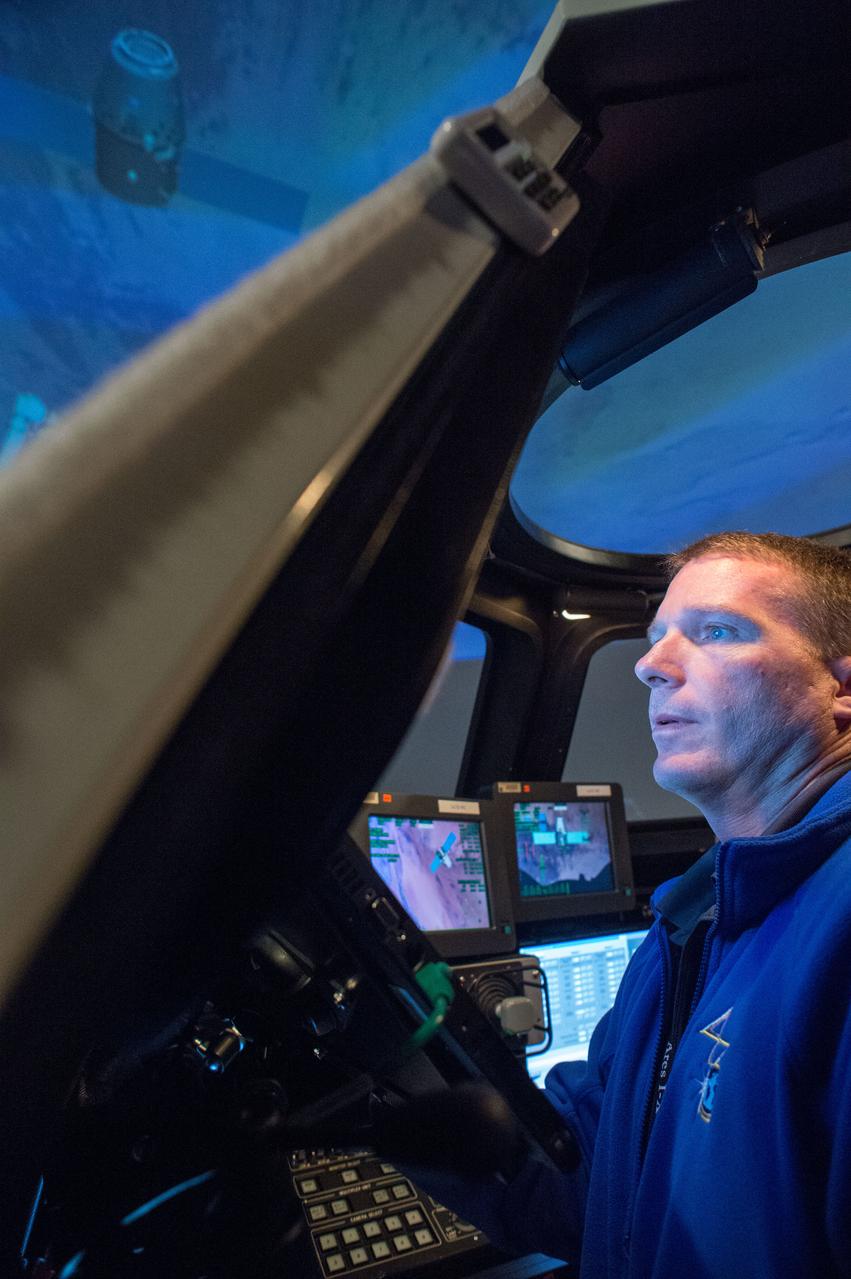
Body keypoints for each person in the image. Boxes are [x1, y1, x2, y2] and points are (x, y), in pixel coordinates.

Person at [419, 531, 851, 1278]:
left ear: (841, 686)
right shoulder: (692, 917)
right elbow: (592, 1183)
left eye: (717, 631)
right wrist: (403, 1095)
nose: (651, 666)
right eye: (654, 641)